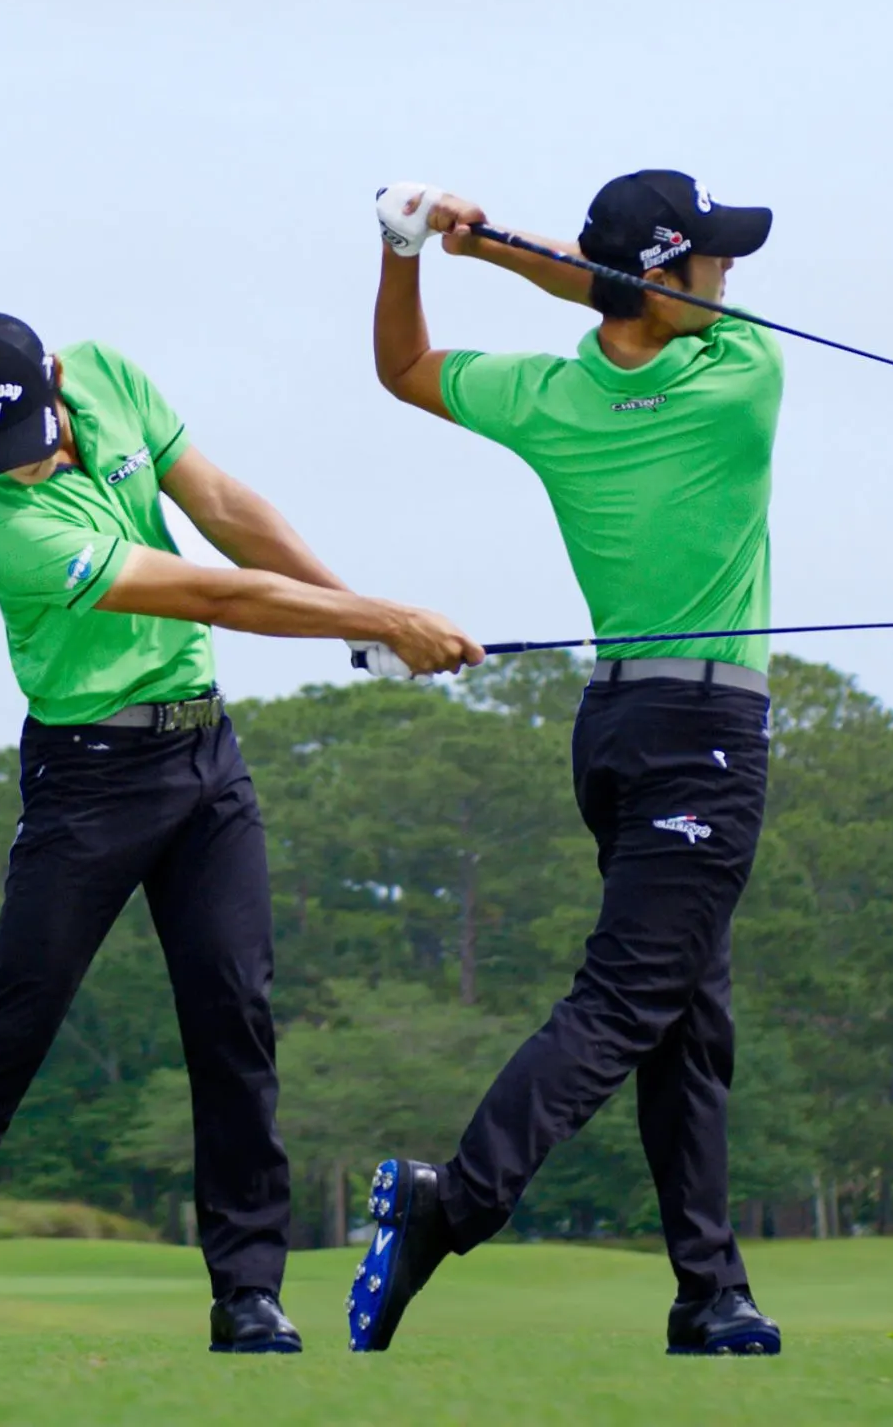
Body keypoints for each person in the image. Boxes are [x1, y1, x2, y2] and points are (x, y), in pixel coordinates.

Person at [0, 312, 484, 1354]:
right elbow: (212, 593)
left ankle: (248, 1295)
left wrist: (352, 606)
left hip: (203, 760)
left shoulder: (108, 378)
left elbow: (219, 506)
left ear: (54, 381)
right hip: (88, 780)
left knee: (233, 1018)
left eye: (33, 433)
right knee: (8, 1028)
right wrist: (376, 620)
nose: (24, 465)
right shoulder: (10, 525)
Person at [349, 172, 786, 1356]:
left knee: (690, 1022)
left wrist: (413, 252)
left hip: (612, 734)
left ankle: (709, 1292)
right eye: (711, 260)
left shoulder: (545, 394)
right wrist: (482, 243)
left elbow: (403, 370)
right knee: (631, 998)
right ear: (662, 277)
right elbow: (602, 286)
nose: (731, 277)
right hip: (702, 742)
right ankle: (455, 1204)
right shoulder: (740, 377)